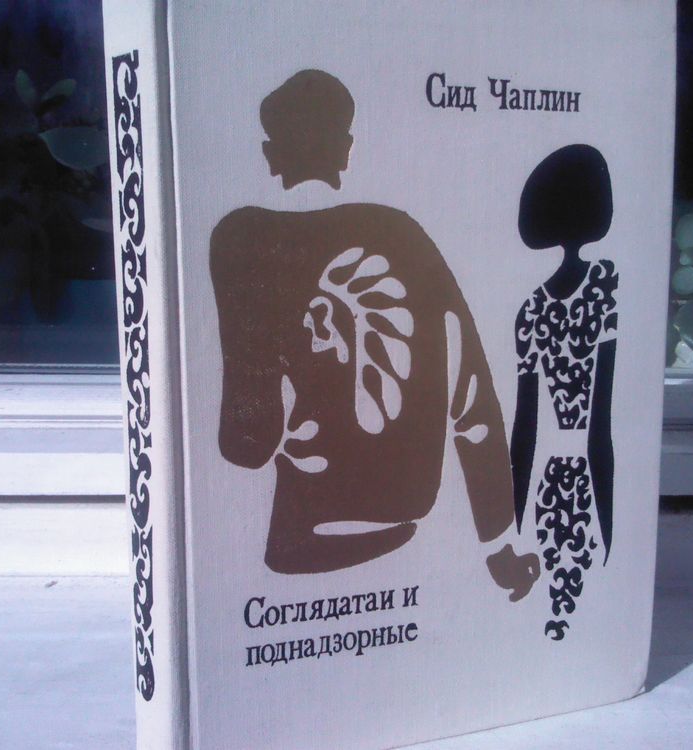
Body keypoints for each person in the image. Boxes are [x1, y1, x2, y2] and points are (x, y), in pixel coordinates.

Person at [210, 69, 538, 599]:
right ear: (346, 150)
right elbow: (471, 396)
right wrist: (498, 540)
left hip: (301, 541)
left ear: (271, 153)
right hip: (409, 524)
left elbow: (247, 441)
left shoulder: (243, 239)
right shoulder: (403, 234)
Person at [511, 144, 617, 640]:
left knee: (561, 589)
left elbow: (525, 428)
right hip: (581, 473)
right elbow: (601, 420)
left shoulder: (531, 308)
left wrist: (517, 511)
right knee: (577, 583)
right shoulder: (605, 289)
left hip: (551, 480)